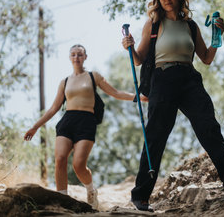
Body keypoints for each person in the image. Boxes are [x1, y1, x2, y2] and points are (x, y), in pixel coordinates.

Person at [122, 0, 224, 211]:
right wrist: (129, 46)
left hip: (189, 79)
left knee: (209, 127)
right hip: (163, 79)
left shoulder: (191, 25)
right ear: (158, 0)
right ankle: (141, 196)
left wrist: (217, 37)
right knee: (156, 135)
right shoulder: (153, 25)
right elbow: (138, 59)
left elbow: (206, 58)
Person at [24, 44, 146, 210]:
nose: (76, 57)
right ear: (69, 57)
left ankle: (90, 190)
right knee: (60, 159)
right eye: (73, 54)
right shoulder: (64, 82)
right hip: (67, 121)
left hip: (86, 121)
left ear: (85, 57)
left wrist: (138, 97)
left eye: (80, 54)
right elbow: (53, 108)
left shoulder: (93, 76)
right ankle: (63, 199)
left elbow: (115, 93)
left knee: (78, 164)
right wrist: (35, 127)